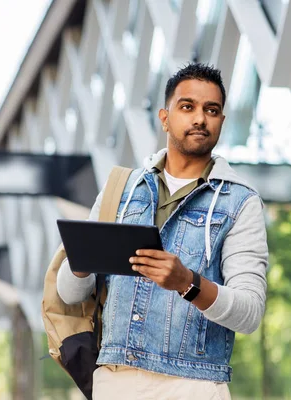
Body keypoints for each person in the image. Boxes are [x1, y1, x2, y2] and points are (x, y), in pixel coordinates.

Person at [56, 63, 268, 400]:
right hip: (116, 381)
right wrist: (84, 258)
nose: (200, 118)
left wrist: (188, 283)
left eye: (211, 110)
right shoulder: (119, 190)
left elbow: (250, 312)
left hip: (194, 386)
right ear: (165, 117)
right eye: (187, 107)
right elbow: (69, 293)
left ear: (221, 122)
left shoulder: (241, 202)